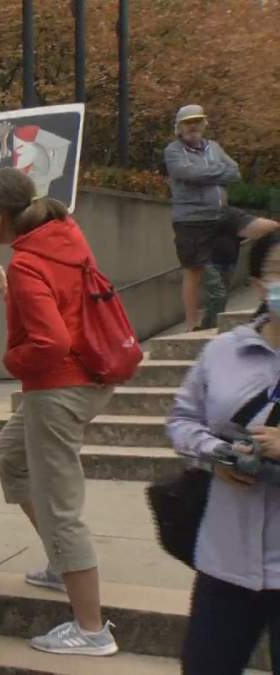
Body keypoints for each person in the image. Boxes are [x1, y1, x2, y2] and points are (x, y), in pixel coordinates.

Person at [0, 168, 117, 656]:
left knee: (60, 507)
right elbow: (62, 300)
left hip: (59, 387)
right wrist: (10, 289)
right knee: (10, 456)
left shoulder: (27, 262)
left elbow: (51, 340)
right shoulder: (60, 239)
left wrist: (13, 360)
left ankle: (91, 629)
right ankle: (62, 564)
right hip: (87, 375)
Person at [168, 231, 280, 672]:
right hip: (227, 561)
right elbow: (181, 420)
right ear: (258, 285)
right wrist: (216, 453)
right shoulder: (222, 353)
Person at [165, 104, 279, 331]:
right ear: (179, 127)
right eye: (188, 123)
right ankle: (191, 326)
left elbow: (234, 172)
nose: (193, 126)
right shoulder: (173, 150)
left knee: (270, 228)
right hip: (192, 218)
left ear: (204, 124)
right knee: (193, 270)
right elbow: (186, 173)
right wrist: (217, 172)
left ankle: (264, 286)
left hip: (221, 212)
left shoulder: (214, 147)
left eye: (197, 121)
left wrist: (205, 173)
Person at [199, 233, 242, 330]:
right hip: (209, 259)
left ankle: (207, 326)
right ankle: (216, 326)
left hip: (230, 257)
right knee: (219, 295)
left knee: (220, 298)